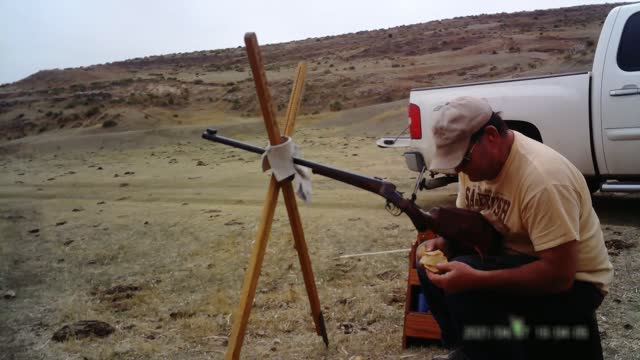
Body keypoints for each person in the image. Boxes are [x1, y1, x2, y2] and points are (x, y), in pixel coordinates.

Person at [415, 96, 613, 360]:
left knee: (467, 288)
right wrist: (445, 243)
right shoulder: (474, 166)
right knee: (431, 268)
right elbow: (473, 226)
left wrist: (476, 278)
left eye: (463, 160)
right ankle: (467, 349)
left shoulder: (543, 179)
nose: (459, 169)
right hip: (515, 258)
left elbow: (559, 275)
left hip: (576, 283)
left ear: (491, 136)